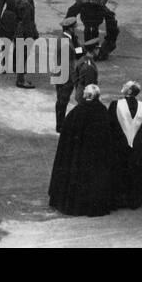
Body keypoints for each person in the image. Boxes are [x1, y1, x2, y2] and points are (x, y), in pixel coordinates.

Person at [48, 84, 115, 216]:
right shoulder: (102, 111)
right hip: (96, 157)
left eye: (84, 91)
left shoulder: (77, 112)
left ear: (87, 95)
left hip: (78, 157)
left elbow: (66, 135)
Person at [0, 0, 38, 88]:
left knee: (18, 46)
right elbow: (0, 4)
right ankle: (3, 64)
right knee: (5, 43)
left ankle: (16, 67)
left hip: (19, 22)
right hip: (8, 19)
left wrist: (32, 25)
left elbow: (32, 9)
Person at [108, 80, 142, 209]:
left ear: (130, 91)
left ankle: (119, 199)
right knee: (135, 173)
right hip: (137, 145)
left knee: (120, 172)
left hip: (119, 144)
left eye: (125, 85)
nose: (123, 86)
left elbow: (110, 125)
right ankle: (134, 201)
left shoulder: (115, 105)